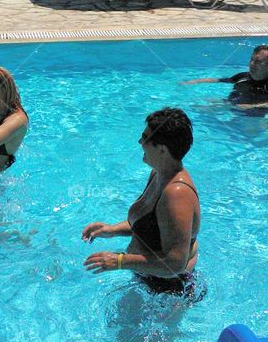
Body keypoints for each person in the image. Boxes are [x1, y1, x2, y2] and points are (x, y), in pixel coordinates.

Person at [82, 108, 203, 299]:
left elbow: (175, 263)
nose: (140, 143)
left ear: (162, 149)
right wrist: (111, 230)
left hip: (167, 295)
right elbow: (153, 225)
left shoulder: (176, 194)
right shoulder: (158, 173)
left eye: (145, 138)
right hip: (149, 285)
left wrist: (119, 261)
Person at [181, 44, 268, 112]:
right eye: (251, 60)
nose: (252, 64)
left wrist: (251, 107)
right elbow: (219, 80)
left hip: (254, 117)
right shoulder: (243, 76)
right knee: (195, 107)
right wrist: (194, 81)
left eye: (258, 61)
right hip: (229, 106)